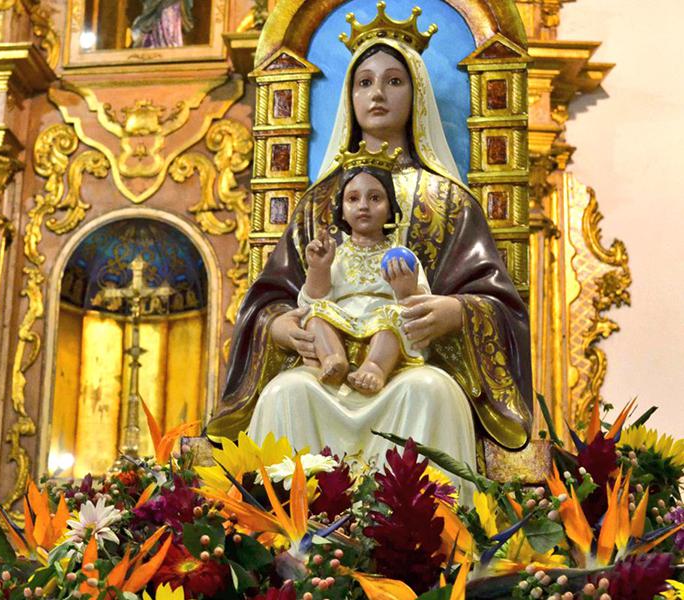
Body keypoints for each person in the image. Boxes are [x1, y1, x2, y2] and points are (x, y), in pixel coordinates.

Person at [207, 7, 532, 500]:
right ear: (350, 96)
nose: (377, 93)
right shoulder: (318, 202)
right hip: (324, 369)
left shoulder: (449, 201)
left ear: (415, 93)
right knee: (284, 392)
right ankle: (289, 527)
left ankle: (424, 529)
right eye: (364, 82)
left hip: (408, 368)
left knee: (433, 393)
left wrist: (454, 312)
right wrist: (279, 327)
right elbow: (271, 297)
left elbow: (501, 305)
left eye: (393, 81)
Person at [300, 146, 429, 395]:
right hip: (342, 332)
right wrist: (318, 268)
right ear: (341, 209)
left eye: (375, 198)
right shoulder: (335, 254)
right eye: (353, 199)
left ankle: (375, 367)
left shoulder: (401, 255)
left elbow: (421, 304)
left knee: (396, 315)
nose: (363, 206)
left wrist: (406, 291)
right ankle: (333, 358)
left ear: (390, 208)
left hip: (385, 337)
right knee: (316, 314)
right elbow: (314, 300)